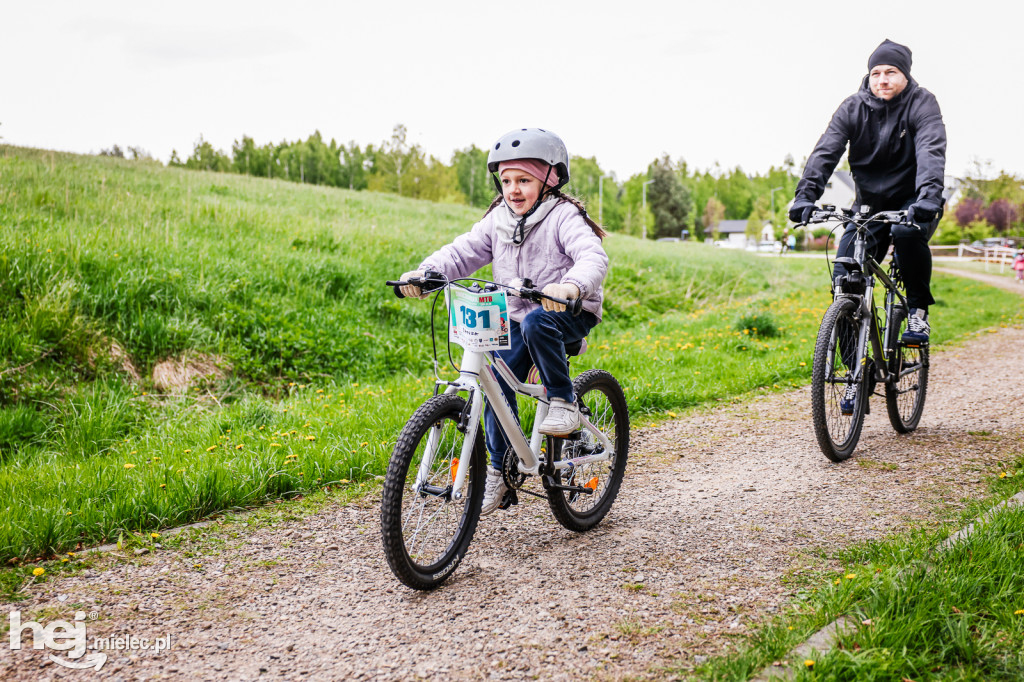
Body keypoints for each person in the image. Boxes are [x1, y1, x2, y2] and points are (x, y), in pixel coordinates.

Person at [398, 128, 609, 515]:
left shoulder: (563, 216)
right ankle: (500, 470)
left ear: (551, 179)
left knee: (537, 325)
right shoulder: (498, 219)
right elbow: (462, 252)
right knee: (492, 380)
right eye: (508, 180)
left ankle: (563, 400)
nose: (514, 189)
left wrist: (570, 286)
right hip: (513, 313)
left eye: (524, 180)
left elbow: (592, 256)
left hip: (568, 310)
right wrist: (425, 273)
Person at [788, 39, 946, 414]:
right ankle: (855, 371)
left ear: (904, 74)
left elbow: (931, 150)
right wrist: (804, 197)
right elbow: (826, 151)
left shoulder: (923, 104)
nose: (882, 79)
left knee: (908, 235)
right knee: (845, 277)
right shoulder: (852, 108)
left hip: (914, 203)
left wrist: (927, 198)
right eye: (876, 73)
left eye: (891, 72)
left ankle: (918, 311)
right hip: (869, 206)